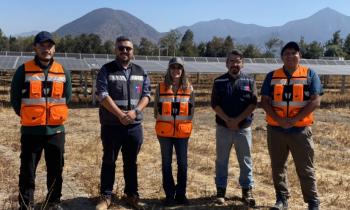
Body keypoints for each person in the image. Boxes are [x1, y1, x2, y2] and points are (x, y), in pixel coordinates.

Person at [10, 31, 72, 210]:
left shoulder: (62, 72)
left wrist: (53, 115)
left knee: (56, 169)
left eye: (50, 45)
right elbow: (15, 99)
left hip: (56, 130)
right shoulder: (24, 70)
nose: (47, 49)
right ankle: (26, 204)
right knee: (28, 171)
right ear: (35, 47)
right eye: (42, 45)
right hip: (31, 130)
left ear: (54, 48)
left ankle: (53, 202)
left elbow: (66, 99)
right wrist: (30, 116)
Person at [260, 41, 322, 210]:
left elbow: (316, 101)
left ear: (299, 56)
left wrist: (295, 119)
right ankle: (281, 199)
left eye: (294, 52)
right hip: (276, 129)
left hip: (300, 130)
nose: (290, 56)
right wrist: (278, 119)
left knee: (306, 167)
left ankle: (312, 202)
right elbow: (264, 101)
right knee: (277, 167)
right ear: (282, 57)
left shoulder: (310, 74)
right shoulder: (272, 76)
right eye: (286, 53)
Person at [95, 36, 151, 210]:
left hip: (134, 126)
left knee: (131, 162)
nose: (124, 51)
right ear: (116, 50)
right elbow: (102, 95)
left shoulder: (141, 71)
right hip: (112, 125)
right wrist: (120, 115)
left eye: (128, 48)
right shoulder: (106, 70)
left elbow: (147, 95)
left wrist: (135, 112)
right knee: (109, 161)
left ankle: (132, 195)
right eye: (121, 48)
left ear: (133, 51)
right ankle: (106, 196)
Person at [211, 49, 257, 207]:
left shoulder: (250, 82)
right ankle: (221, 191)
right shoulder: (218, 82)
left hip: (243, 128)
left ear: (242, 64)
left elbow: (253, 104)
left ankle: (247, 190)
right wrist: (228, 120)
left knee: (245, 160)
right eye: (231, 61)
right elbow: (215, 104)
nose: (234, 64)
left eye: (238, 61)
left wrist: (237, 120)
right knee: (221, 161)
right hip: (223, 127)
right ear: (226, 63)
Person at [154, 57, 195, 206]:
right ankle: (169, 195)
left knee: (183, 164)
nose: (176, 70)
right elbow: (155, 110)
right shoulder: (161, 87)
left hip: (182, 133)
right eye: (173, 67)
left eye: (179, 67)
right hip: (165, 133)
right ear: (169, 69)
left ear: (183, 70)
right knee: (166, 164)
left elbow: (192, 110)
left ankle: (181, 194)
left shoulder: (189, 88)